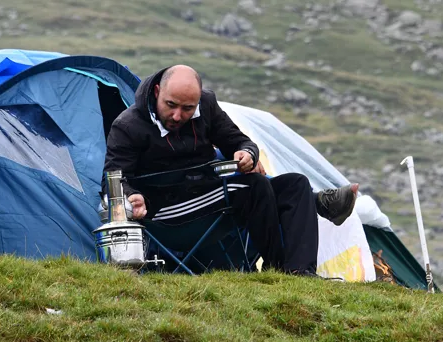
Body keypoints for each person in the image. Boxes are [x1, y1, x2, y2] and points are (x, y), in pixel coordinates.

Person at [103, 65, 359, 276]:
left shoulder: (207, 105)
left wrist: (247, 154)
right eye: (171, 105)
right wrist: (131, 197)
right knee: (252, 186)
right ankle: (278, 271)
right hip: (165, 214)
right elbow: (113, 179)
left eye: (187, 108)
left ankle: (301, 273)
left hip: (208, 195)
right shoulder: (128, 126)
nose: (178, 115)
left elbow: (240, 141)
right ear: (157, 91)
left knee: (296, 185)